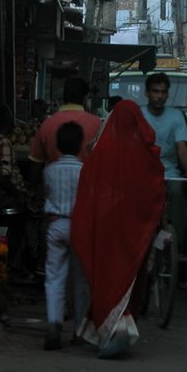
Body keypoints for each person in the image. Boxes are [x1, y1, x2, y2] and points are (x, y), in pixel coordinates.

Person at [71, 100, 166, 358]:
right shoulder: (145, 156)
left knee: (105, 275)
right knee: (126, 279)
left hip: (105, 225)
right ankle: (119, 326)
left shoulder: (101, 152)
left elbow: (89, 189)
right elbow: (155, 190)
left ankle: (117, 329)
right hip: (134, 232)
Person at [139, 72, 187, 286]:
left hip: (170, 174)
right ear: (147, 93)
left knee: (177, 194)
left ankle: (175, 242)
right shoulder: (139, 115)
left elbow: (181, 146)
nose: (159, 96)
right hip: (143, 175)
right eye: (155, 91)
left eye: (163, 92)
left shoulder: (176, 116)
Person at [43, 122, 90, 351]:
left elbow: (46, 192)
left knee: (54, 276)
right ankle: (80, 330)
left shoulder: (50, 170)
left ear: (58, 145)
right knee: (81, 280)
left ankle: (55, 320)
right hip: (80, 227)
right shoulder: (84, 170)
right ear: (81, 145)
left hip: (56, 224)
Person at [0, 103, 39, 278]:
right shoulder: (2, 141)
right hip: (0, 198)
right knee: (33, 214)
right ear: (7, 121)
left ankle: (16, 262)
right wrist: (19, 195)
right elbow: (0, 176)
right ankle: (21, 264)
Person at [29, 77, 102, 165]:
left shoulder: (47, 124)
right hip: (88, 173)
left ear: (64, 96)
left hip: (54, 173)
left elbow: (36, 161)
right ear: (85, 97)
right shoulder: (97, 124)